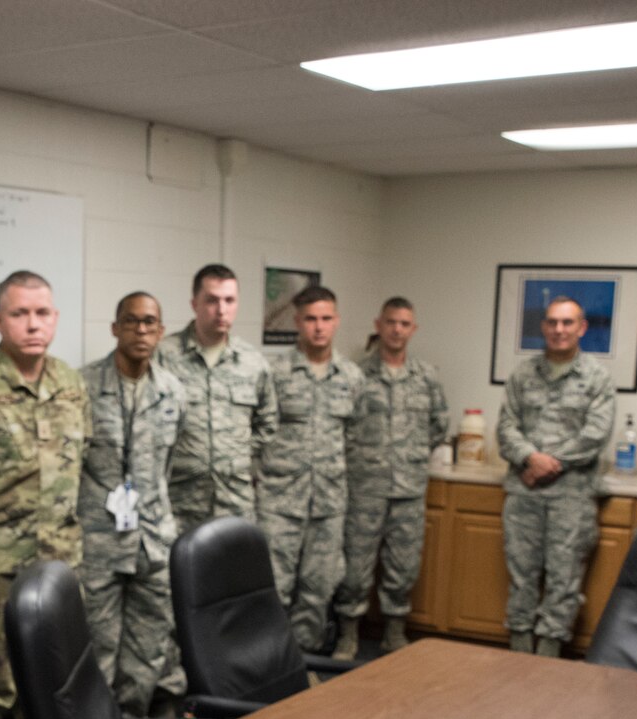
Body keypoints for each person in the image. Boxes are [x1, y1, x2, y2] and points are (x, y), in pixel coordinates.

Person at [0, 270, 87, 719]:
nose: (33, 324)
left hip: (59, 555)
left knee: (54, 670)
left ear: (55, 319)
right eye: (20, 314)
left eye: (42, 313)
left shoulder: (70, 381)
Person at [80, 292, 188, 716]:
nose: (140, 331)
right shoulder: (84, 387)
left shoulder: (173, 393)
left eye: (149, 323)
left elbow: (170, 464)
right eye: (131, 322)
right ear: (114, 328)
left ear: (161, 332)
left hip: (153, 542)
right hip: (100, 543)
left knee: (148, 646)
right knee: (97, 645)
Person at [496, 296, 617, 658]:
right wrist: (529, 458)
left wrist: (547, 465)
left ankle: (548, 655)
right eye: (552, 322)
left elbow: (595, 435)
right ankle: (519, 650)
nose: (558, 330)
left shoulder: (597, 377)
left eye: (567, 323)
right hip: (524, 495)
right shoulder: (522, 374)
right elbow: (506, 427)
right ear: (543, 327)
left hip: (572, 496)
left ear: (582, 328)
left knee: (564, 580)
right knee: (522, 576)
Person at [336, 296, 449, 657]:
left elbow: (438, 425)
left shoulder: (426, 376)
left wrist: (408, 457)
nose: (397, 330)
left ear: (413, 329)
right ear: (378, 325)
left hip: (409, 490)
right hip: (365, 488)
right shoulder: (356, 374)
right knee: (355, 567)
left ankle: (394, 632)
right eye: (391, 322)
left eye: (404, 324)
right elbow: (343, 427)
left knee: (403, 567)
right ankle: (349, 633)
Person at [260, 286, 364, 653]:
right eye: (310, 319)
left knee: (318, 587)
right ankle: (270, 663)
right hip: (279, 501)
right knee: (274, 587)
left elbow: (355, 439)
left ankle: (304, 664)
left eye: (325, 319)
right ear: (296, 322)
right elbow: (258, 433)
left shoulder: (351, 377)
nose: (318, 327)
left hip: (328, 503)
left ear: (336, 321)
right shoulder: (274, 373)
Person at [158, 263, 277, 535]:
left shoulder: (252, 363)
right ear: (194, 303)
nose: (221, 310)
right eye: (211, 300)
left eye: (229, 300)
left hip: (234, 499)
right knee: (179, 576)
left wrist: (236, 455)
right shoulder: (163, 357)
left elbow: (268, 424)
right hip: (179, 501)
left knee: (232, 576)